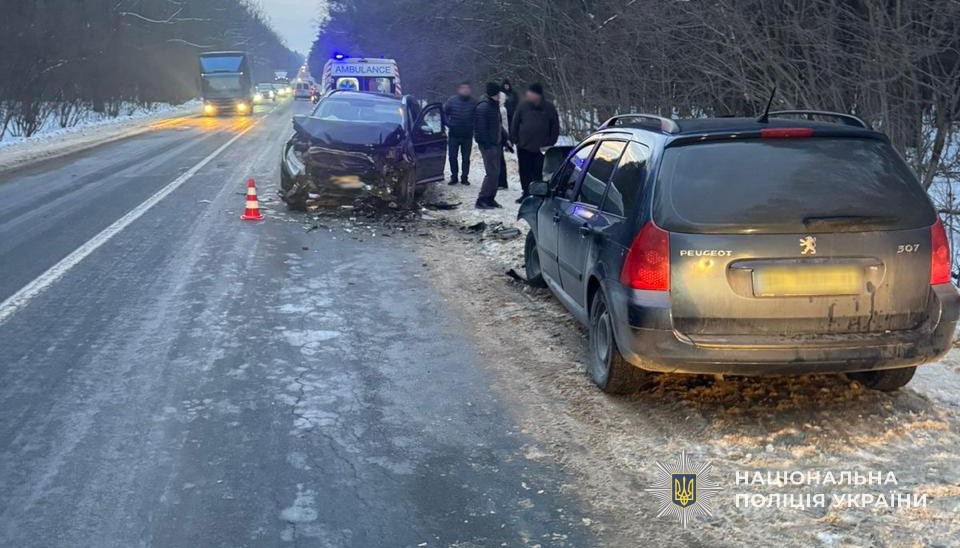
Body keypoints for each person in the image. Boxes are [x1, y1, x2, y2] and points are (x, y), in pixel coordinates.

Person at [510, 83, 560, 202]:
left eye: (531, 93)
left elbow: (555, 127)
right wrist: (515, 138)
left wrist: (550, 143)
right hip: (524, 146)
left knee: (537, 172)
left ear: (538, 95)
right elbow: (515, 122)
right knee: (524, 171)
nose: (528, 95)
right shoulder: (522, 106)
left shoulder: (548, 108)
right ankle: (526, 193)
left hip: (541, 147)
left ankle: (537, 194)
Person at [474, 82, 508, 209]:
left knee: (496, 173)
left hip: (496, 144)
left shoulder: (494, 105)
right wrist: (487, 144)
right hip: (488, 146)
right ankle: (482, 199)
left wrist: (505, 139)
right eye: (498, 93)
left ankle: (490, 198)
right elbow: (479, 129)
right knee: (491, 173)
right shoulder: (483, 107)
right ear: (495, 93)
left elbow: (498, 125)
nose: (500, 95)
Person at [443, 81, 478, 185]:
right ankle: (454, 176)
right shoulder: (452, 101)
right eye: (463, 88)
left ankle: (464, 177)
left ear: (470, 90)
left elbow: (478, 117)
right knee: (452, 157)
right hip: (454, 134)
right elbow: (444, 113)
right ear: (459, 89)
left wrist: (474, 127)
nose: (465, 90)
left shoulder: (474, 102)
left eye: (467, 88)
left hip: (467, 135)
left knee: (466, 158)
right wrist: (448, 123)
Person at [497, 89, 513, 189]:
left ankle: (502, 182)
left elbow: (504, 124)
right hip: (502, 135)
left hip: (501, 135)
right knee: (499, 160)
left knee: (500, 160)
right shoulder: (500, 108)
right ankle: (501, 182)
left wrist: (506, 138)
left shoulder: (501, 109)